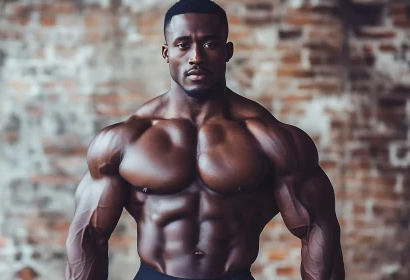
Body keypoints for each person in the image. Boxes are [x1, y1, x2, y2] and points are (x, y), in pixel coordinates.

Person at [65, 0, 345, 279]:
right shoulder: (124, 140)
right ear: (166, 52)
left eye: (210, 44)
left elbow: (318, 231)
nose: (196, 56)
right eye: (183, 44)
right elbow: (88, 236)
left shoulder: (271, 139)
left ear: (228, 51)